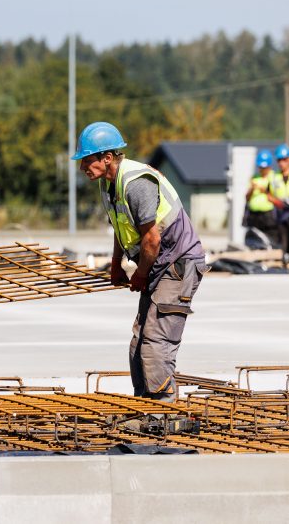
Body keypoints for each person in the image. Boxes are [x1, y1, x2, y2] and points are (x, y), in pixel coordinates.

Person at [73, 122, 207, 403]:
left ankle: (162, 412)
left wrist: (141, 275)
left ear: (107, 158)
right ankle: (143, 405)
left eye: (87, 159)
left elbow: (152, 241)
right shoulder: (108, 184)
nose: (82, 166)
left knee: (156, 341)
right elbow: (121, 228)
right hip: (158, 263)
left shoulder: (136, 184)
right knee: (139, 341)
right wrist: (115, 263)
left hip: (177, 262)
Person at [244, 149, 278, 247]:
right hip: (254, 215)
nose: (262, 169)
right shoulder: (254, 177)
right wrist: (251, 189)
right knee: (254, 239)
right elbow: (247, 198)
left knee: (270, 240)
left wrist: (264, 191)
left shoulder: (274, 177)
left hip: (268, 216)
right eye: (260, 167)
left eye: (264, 167)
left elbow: (277, 198)